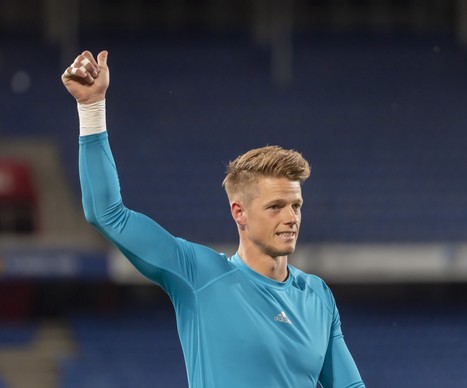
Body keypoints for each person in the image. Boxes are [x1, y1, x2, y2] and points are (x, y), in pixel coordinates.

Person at [62, 50, 365, 388]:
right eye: (275, 206)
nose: (291, 217)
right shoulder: (197, 275)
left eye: (296, 205)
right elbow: (108, 214)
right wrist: (91, 109)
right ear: (240, 213)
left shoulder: (317, 295)